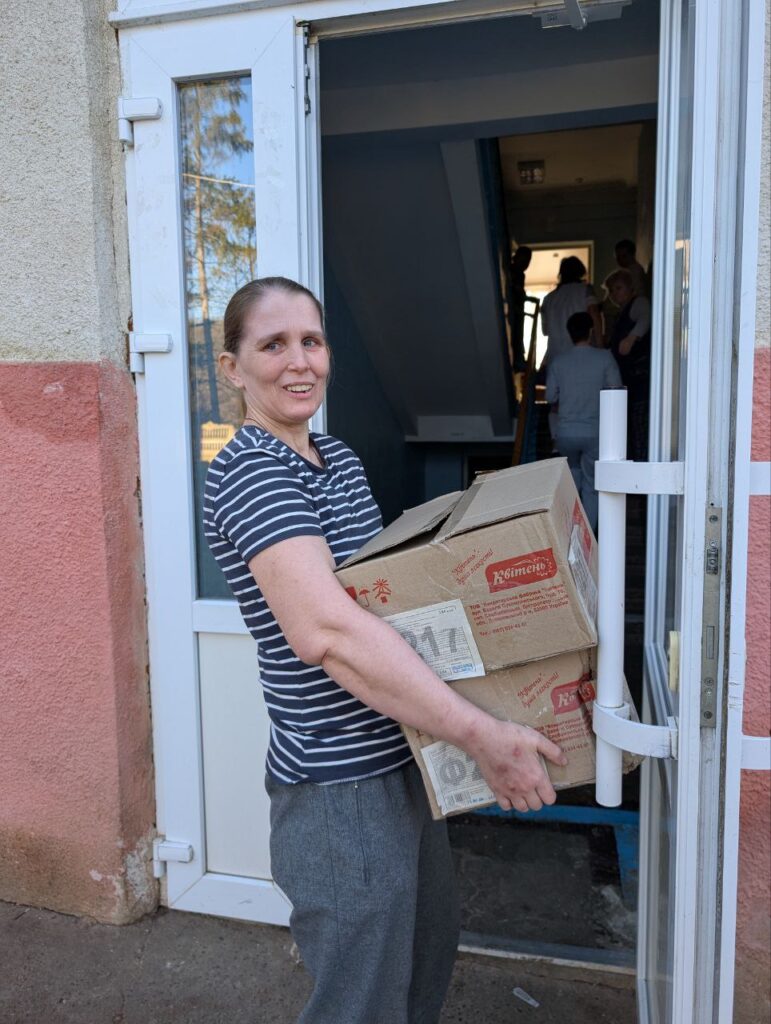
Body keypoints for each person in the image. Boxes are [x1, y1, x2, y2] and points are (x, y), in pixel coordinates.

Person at [202, 277, 567, 1024]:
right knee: (362, 1002)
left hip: (402, 756)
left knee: (422, 964)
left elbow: (382, 599)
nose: (299, 361)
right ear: (232, 368)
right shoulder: (251, 473)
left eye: (312, 340)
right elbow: (329, 633)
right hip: (339, 792)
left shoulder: (334, 456)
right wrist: (480, 734)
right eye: (273, 345)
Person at [546, 311, 622, 532]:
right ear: (590, 331)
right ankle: (586, 535)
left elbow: (550, 397)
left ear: (569, 334)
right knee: (592, 486)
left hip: (566, 433)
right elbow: (616, 389)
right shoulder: (604, 357)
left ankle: (567, 529)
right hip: (595, 432)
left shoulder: (559, 361)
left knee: (572, 479)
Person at [540, 255, 603, 445]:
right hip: (582, 352)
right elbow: (594, 315)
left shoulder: (549, 299)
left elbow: (545, 331)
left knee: (557, 402)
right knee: (586, 396)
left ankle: (555, 441)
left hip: (556, 354)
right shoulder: (585, 290)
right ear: (581, 272)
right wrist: (601, 345)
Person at [605, 268, 652, 461]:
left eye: (619, 288)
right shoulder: (621, 313)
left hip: (639, 378)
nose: (614, 293)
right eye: (611, 290)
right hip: (629, 379)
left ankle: (641, 465)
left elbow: (645, 317)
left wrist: (632, 338)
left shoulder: (639, 302)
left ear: (630, 287)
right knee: (630, 428)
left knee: (638, 426)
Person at [507, 245, 532, 371]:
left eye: (527, 261)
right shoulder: (510, 271)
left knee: (518, 334)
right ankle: (517, 360)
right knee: (514, 334)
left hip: (518, 310)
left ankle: (518, 359)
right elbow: (515, 290)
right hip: (512, 310)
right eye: (523, 260)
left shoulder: (520, 274)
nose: (525, 264)